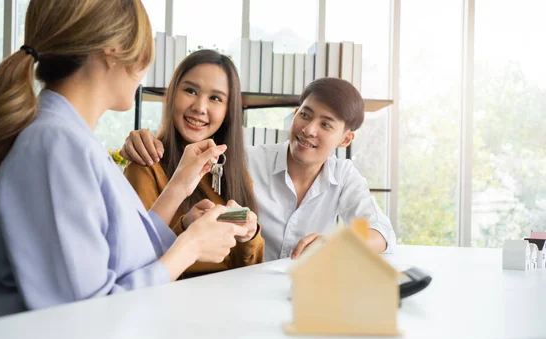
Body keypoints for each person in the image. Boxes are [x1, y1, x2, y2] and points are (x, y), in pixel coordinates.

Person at [0, 0, 247, 319]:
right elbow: (86, 315)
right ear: (114, 50)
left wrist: (178, 194)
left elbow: (119, 258)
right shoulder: (54, 146)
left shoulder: (69, 138)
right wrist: (190, 248)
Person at [121, 77, 396, 261]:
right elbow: (184, 158)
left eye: (326, 124)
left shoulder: (344, 175)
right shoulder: (247, 161)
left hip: (302, 295)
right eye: (305, 114)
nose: (308, 130)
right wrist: (143, 141)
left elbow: (381, 231)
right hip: (241, 287)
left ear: (346, 139)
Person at [123, 49, 264, 278]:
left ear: (229, 111)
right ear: (171, 95)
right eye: (190, 90)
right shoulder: (146, 166)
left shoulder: (238, 175)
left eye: (215, 98)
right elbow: (136, 264)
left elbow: (250, 272)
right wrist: (186, 230)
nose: (200, 107)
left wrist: (249, 236)